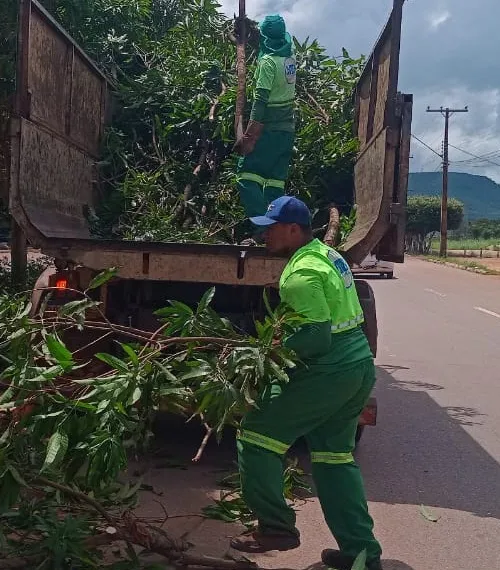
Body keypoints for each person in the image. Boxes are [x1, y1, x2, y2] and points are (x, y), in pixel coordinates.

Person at [229, 196, 383, 570]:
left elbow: (315, 339)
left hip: (329, 371)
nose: (264, 234)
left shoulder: (299, 275)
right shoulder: (326, 256)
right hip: (357, 364)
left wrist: (272, 351)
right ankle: (360, 553)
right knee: (333, 459)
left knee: (255, 437)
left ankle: (276, 527)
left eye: (271, 227)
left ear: (293, 230)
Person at [235, 14, 297, 218]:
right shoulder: (290, 58)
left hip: (267, 131)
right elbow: (268, 42)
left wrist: (250, 136)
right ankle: (277, 226)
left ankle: (262, 227)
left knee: (246, 177)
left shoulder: (267, 64)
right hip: (286, 132)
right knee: (274, 184)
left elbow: (260, 101)